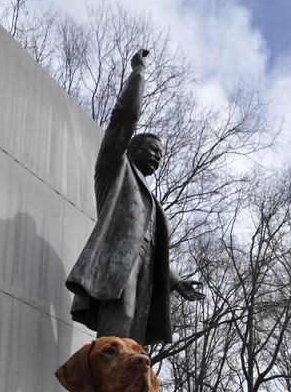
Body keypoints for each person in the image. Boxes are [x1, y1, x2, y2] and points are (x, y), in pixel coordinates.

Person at [66, 48, 204, 346]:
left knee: (135, 342)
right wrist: (138, 72)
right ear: (132, 148)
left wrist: (176, 282)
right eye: (154, 151)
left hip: (145, 273)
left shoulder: (151, 201)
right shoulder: (114, 167)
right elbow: (125, 117)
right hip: (119, 272)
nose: (158, 159)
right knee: (120, 327)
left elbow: (150, 245)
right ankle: (105, 389)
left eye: (161, 156)